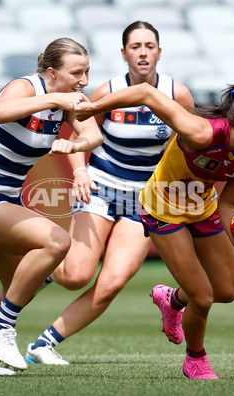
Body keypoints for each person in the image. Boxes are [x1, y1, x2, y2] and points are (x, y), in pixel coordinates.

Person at [74, 80, 234, 379]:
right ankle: (195, 359)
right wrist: (94, 107)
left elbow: (227, 205)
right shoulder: (201, 132)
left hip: (202, 208)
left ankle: (172, 299)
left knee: (225, 292)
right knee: (202, 297)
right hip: (162, 210)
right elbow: (146, 93)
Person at [24, 21, 195, 365]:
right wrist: (80, 171)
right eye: (135, 46)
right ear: (124, 54)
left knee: (112, 282)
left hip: (144, 201)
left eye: (149, 46)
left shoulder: (178, 95)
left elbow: (187, 146)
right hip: (100, 188)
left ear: (159, 52)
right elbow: (79, 136)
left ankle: (43, 344)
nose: (143, 52)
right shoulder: (106, 92)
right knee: (76, 276)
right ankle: (44, 267)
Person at [0, 38, 103, 375]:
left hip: (4, 200)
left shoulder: (69, 101)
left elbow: (93, 136)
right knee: (58, 242)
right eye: (77, 72)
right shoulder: (25, 86)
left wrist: (76, 153)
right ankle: (2, 327)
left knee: (20, 286)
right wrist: (53, 98)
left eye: (87, 71)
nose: (84, 80)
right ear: (51, 72)